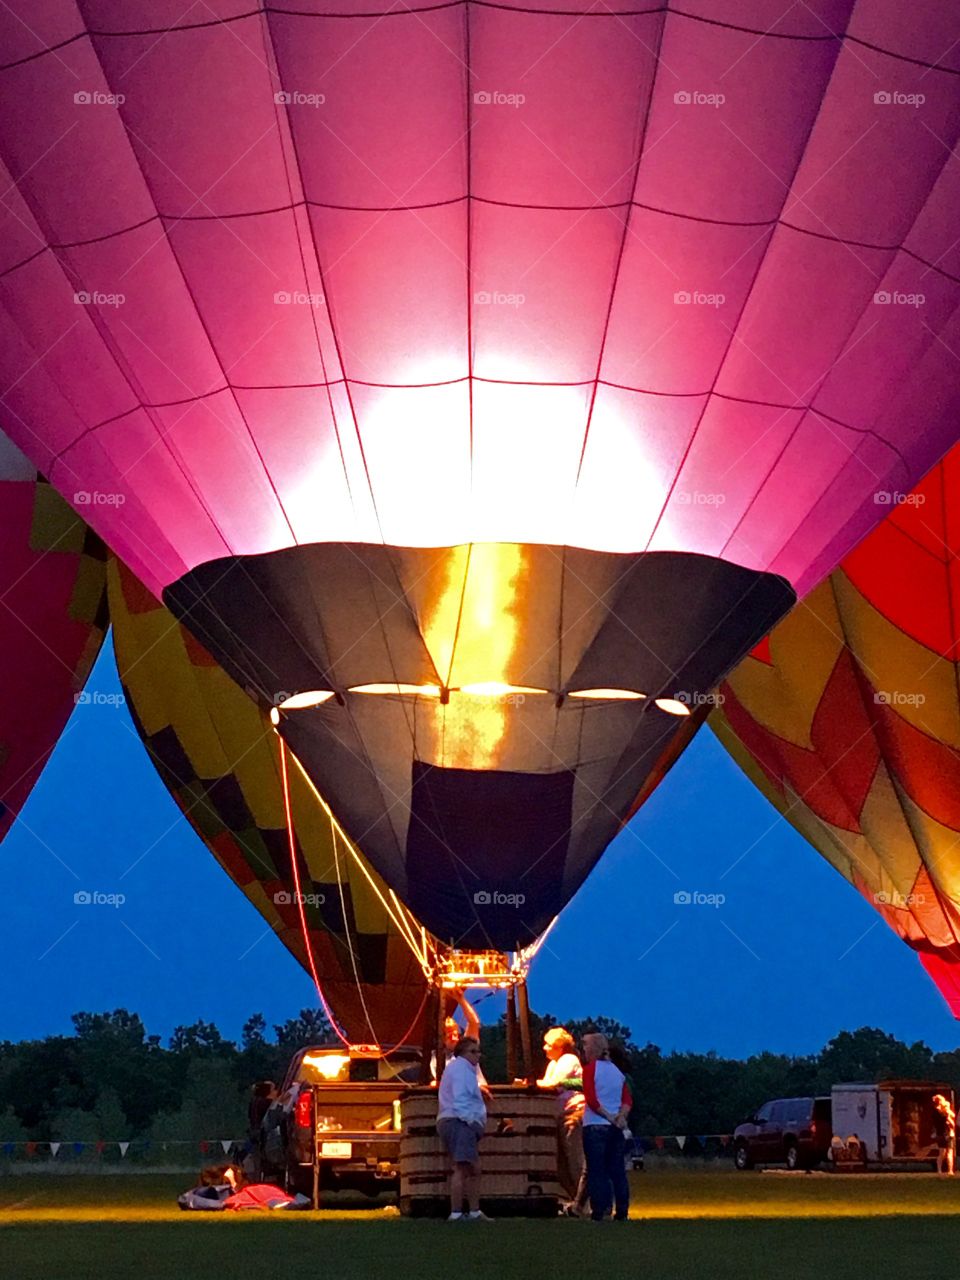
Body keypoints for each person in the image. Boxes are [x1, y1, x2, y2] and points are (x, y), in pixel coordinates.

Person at [437, 1036, 491, 1221]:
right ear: (462, 1053)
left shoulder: (462, 1069)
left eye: (478, 1051)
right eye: (473, 1052)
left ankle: (469, 1211)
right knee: (465, 1167)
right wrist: (472, 1122)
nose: (478, 1055)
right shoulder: (461, 1070)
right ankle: (459, 1212)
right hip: (459, 1121)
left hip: (457, 1121)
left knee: (470, 1168)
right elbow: (461, 1099)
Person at [581, 1032, 631, 1222]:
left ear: (593, 1049)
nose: (583, 1049)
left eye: (586, 1045)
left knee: (597, 1170)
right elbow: (627, 1099)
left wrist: (608, 1116)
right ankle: (622, 1210)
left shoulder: (590, 1069)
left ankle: (599, 1211)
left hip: (595, 1125)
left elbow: (591, 1099)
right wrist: (621, 1116)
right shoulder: (618, 1073)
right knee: (617, 1170)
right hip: (616, 1128)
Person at [537, 1027, 586, 1213]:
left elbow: (553, 1083)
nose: (544, 1047)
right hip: (561, 1115)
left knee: (575, 1160)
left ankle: (585, 1203)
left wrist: (533, 1083)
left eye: (548, 1044)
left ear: (560, 1047)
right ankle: (574, 1202)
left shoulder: (568, 1060)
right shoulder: (553, 1063)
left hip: (573, 1113)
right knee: (562, 1163)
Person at [933, 1093, 955, 1176]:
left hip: (941, 1133)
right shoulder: (942, 1112)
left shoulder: (935, 1111)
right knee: (948, 1152)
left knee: (942, 1152)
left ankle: (940, 1170)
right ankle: (950, 1170)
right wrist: (948, 1109)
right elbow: (951, 1120)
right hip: (946, 1133)